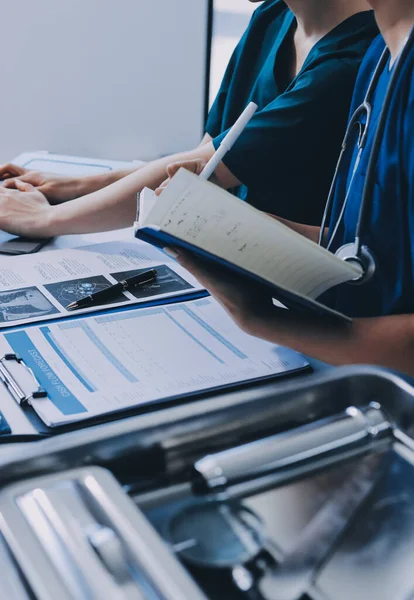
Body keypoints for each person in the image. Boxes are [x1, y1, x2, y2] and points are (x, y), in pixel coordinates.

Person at [162, 0, 414, 377]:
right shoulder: (379, 57)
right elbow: (371, 251)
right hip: (346, 360)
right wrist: (242, 231)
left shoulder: (365, 58)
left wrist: (259, 317)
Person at [0, 0, 377, 233]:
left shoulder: (349, 62)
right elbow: (204, 152)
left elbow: (201, 171)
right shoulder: (272, 17)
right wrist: (70, 188)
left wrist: (42, 220)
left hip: (279, 284)